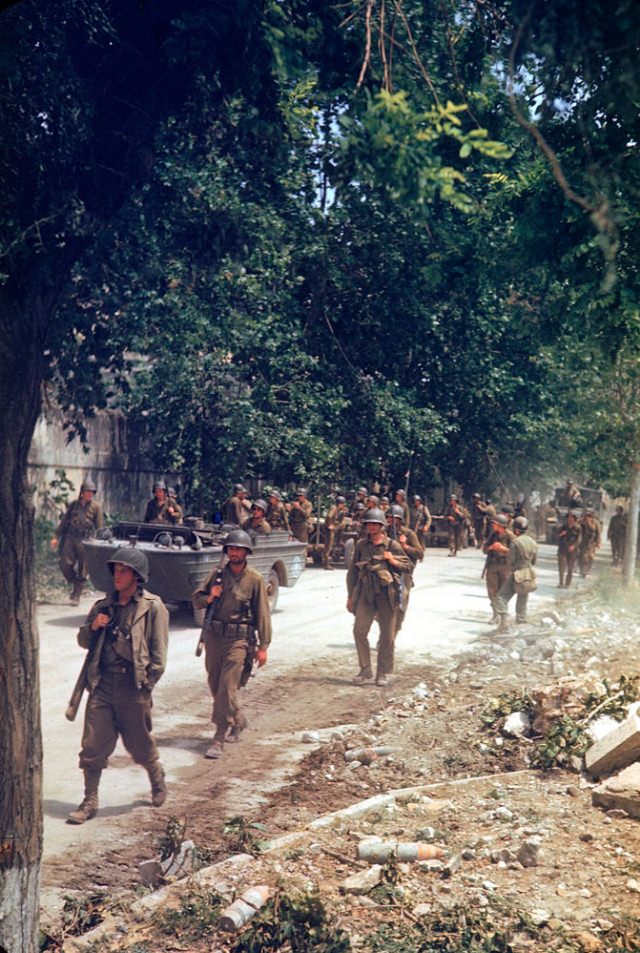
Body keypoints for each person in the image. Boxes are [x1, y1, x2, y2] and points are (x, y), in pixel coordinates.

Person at [67, 546, 169, 824]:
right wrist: (94, 627)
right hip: (102, 684)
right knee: (93, 745)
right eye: (116, 571)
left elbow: (159, 656)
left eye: (124, 571)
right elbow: (83, 641)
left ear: (136, 576)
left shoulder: (152, 608)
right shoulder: (103, 606)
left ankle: (156, 777)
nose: (117, 576)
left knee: (139, 744)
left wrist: (146, 686)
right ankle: (90, 800)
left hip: (132, 687)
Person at [192, 529, 271, 759]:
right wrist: (209, 596)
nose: (234, 553)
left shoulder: (254, 579)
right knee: (216, 684)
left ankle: (218, 737)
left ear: (246, 552)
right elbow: (196, 600)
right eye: (231, 549)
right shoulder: (216, 575)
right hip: (215, 637)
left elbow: (263, 614)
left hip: (239, 640)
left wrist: (263, 646)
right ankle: (238, 719)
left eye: (238, 549)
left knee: (227, 686)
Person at [346, 508, 413, 687]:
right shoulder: (360, 545)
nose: (371, 527)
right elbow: (352, 571)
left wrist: (393, 561)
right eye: (369, 524)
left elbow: (409, 566)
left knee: (387, 636)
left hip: (387, 595)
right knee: (359, 630)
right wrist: (350, 596)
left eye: (375, 524)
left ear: (382, 526)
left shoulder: (392, 545)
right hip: (366, 594)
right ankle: (365, 669)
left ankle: (382, 672)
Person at [51, 477, 104, 604]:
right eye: (88, 491)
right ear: (82, 492)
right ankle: (75, 582)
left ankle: (76, 594)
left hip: (85, 540)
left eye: (92, 492)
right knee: (64, 564)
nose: (90, 494)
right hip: (71, 537)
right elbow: (64, 522)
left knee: (83, 569)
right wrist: (56, 537)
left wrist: (98, 543)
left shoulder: (96, 507)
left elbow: (100, 527)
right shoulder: (74, 505)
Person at [494, 516, 538, 631]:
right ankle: (521, 623)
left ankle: (503, 622)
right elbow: (534, 561)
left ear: (516, 530)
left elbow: (510, 561)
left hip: (517, 573)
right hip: (528, 573)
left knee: (500, 597)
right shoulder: (533, 543)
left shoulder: (515, 543)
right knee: (522, 598)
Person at [386, 504, 423, 632]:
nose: (391, 521)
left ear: (400, 520)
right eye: (389, 518)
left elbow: (420, 553)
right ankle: (386, 636)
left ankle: (391, 637)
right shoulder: (383, 532)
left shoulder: (409, 534)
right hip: (386, 572)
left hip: (403, 573)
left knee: (400, 608)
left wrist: (405, 546)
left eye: (394, 518)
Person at [482, 514, 515, 624]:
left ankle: (503, 615)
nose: (493, 525)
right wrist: (491, 547)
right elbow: (484, 549)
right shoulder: (493, 535)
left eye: (495, 524)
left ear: (501, 525)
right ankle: (495, 614)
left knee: (503, 592)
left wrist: (504, 549)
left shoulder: (510, 536)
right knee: (492, 591)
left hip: (505, 566)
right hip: (492, 565)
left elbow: (517, 552)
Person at [557, 510, 582, 588]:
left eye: (572, 517)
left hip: (572, 550)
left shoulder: (578, 528)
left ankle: (568, 584)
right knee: (561, 566)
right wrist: (561, 534)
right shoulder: (563, 527)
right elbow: (557, 536)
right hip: (563, 548)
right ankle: (561, 582)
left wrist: (574, 546)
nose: (570, 519)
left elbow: (579, 539)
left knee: (570, 568)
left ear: (574, 518)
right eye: (569, 517)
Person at [579, 507, 601, 577]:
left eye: (588, 516)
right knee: (583, 557)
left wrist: (598, 542)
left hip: (592, 542)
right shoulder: (581, 522)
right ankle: (583, 570)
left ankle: (588, 569)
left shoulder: (595, 522)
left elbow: (598, 532)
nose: (587, 517)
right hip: (583, 542)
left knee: (591, 557)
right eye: (586, 515)